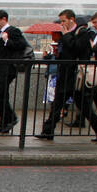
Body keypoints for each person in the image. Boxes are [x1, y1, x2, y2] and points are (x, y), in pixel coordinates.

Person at [36, 10, 89, 139]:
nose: (62, 23)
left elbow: (76, 49)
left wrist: (65, 36)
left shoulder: (81, 32)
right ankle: (48, 131)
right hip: (64, 74)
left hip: (75, 75)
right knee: (57, 104)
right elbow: (64, 52)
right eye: (61, 21)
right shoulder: (67, 34)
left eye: (64, 20)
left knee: (84, 107)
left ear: (72, 20)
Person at [0, 9, 28, 132]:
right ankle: (5, 122)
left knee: (0, 95)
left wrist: (6, 40)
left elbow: (21, 45)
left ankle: (10, 119)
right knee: (0, 95)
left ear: (4, 19)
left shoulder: (13, 31)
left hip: (7, 69)